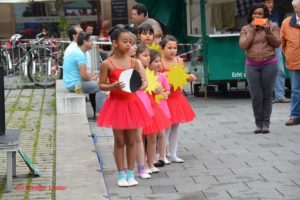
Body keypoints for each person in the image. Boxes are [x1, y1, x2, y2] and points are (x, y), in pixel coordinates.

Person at [97, 27, 152, 187]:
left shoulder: (134, 62)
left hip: (133, 104)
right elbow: (101, 85)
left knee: (132, 140)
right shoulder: (107, 63)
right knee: (119, 141)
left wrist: (141, 86)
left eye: (131, 42)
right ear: (115, 43)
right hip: (116, 105)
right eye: (125, 42)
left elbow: (144, 81)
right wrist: (112, 86)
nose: (129, 45)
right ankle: (121, 174)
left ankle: (130, 173)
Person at [239, 3, 281, 133]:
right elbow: (243, 45)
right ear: (251, 15)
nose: (256, 16)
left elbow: (277, 43)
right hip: (252, 66)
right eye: (254, 13)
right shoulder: (246, 28)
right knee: (256, 96)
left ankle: (265, 124)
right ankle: (258, 123)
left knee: (267, 95)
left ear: (265, 16)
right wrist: (252, 30)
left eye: (259, 14)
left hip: (269, 63)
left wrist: (267, 30)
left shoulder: (273, 26)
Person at [160, 35, 196, 163]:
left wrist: (188, 76)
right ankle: (162, 155)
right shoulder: (160, 61)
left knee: (175, 126)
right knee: (166, 127)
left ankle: (174, 154)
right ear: (162, 49)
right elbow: (157, 78)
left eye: (174, 47)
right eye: (169, 47)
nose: (172, 50)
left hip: (176, 97)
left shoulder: (179, 61)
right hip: (164, 98)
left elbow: (180, 77)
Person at [63, 32, 106, 115]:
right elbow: (83, 75)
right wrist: (92, 78)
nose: (92, 43)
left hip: (71, 84)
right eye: (90, 41)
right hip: (75, 86)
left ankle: (98, 112)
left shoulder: (78, 51)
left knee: (96, 85)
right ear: (84, 42)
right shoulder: (79, 54)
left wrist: (93, 78)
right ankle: (101, 114)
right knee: (102, 87)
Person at [261, 0, 290, 103]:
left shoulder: (275, 13)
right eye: (268, 2)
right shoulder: (258, 13)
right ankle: (267, 97)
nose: (271, 5)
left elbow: (277, 28)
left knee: (280, 70)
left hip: (276, 45)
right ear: (262, 3)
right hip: (263, 45)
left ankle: (279, 96)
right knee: (266, 72)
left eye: (272, 2)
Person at [281, 0, 300, 126]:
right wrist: (290, 55)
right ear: (295, 9)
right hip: (294, 62)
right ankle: (295, 115)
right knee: (296, 90)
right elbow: (283, 44)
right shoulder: (286, 23)